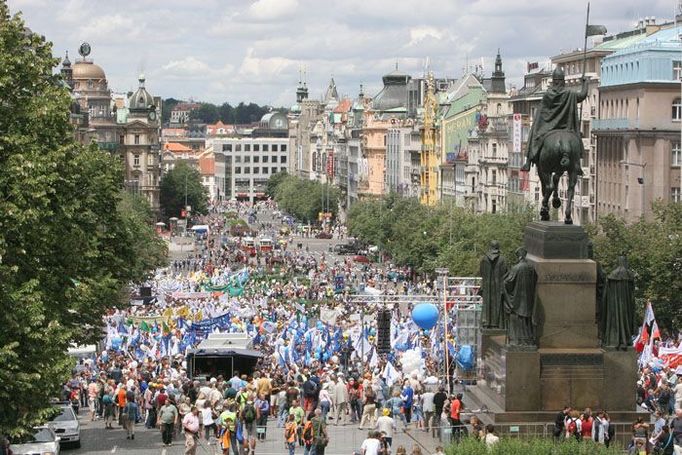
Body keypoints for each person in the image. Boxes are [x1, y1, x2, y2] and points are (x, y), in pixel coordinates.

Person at [521, 66, 587, 172]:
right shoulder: (569, 94)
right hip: (566, 127)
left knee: (534, 131)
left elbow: (541, 114)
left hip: (548, 127)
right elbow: (582, 95)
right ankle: (577, 163)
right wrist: (585, 83)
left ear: (553, 81)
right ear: (563, 81)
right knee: (576, 137)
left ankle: (528, 161)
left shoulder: (548, 95)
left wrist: (540, 122)